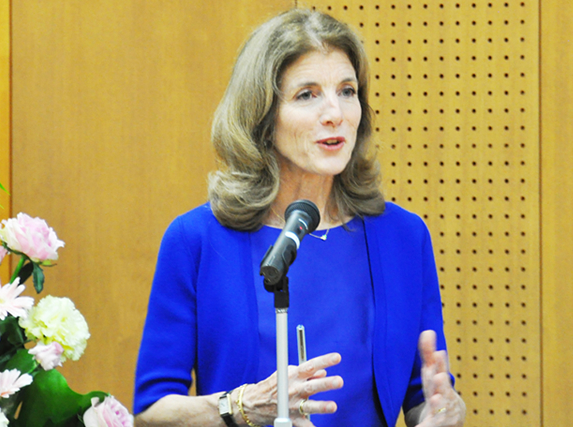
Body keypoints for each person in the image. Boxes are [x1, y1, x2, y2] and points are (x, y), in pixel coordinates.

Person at [134, 8, 466, 427]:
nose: (335, 113)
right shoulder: (197, 239)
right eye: (307, 94)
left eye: (347, 91)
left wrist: (445, 412)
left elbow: (425, 399)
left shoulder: (403, 237)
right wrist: (241, 406)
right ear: (263, 117)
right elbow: (150, 414)